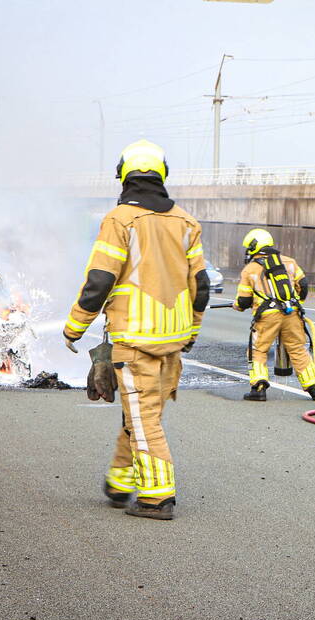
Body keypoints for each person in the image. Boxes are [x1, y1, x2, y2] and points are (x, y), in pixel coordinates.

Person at [63, 140, 209, 520]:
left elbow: (100, 280)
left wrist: (74, 327)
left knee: (143, 421)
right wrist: (191, 332)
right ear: (162, 175)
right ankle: (120, 482)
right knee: (140, 417)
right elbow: (202, 286)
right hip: (171, 343)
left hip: (135, 341)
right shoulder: (187, 222)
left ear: (124, 176)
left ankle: (157, 498)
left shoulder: (119, 220)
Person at [233, 228, 315, 402]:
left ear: (254, 246)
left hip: (267, 316)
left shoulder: (249, 269)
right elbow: (303, 285)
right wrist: (296, 305)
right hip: (292, 313)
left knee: (258, 350)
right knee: (297, 349)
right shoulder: (289, 262)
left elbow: (243, 301)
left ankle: (258, 388)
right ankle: (314, 389)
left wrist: (237, 306)